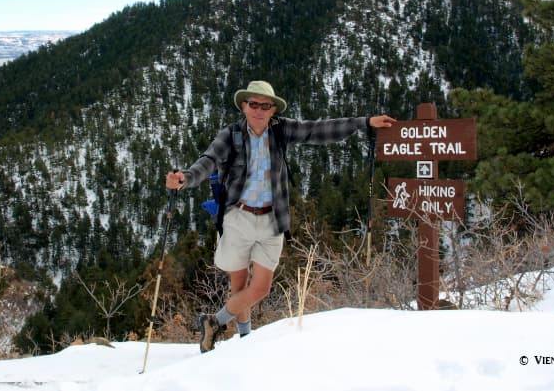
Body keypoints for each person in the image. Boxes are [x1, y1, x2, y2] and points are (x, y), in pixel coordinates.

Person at [165, 80, 395, 352]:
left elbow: (319, 130)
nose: (259, 110)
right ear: (244, 106)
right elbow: (208, 161)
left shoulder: (281, 130)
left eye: (265, 105)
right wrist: (185, 179)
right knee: (239, 286)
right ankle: (245, 342)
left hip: (272, 220)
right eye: (254, 104)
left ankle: (214, 322)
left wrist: (365, 122)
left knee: (259, 288)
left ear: (273, 109)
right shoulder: (230, 135)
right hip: (238, 218)